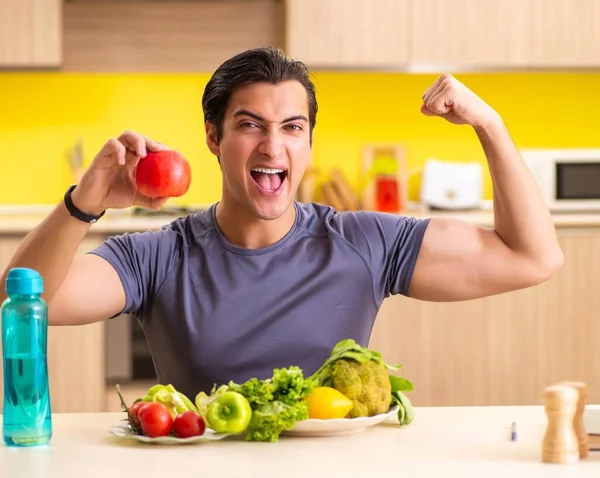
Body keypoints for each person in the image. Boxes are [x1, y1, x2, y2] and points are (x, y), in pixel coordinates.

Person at [1, 47, 563, 398]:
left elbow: (533, 257)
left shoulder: (364, 243)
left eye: (293, 127)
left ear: (309, 143)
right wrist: (84, 200)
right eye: (251, 125)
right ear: (214, 138)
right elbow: (23, 300)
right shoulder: (159, 256)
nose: (273, 146)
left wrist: (488, 123)